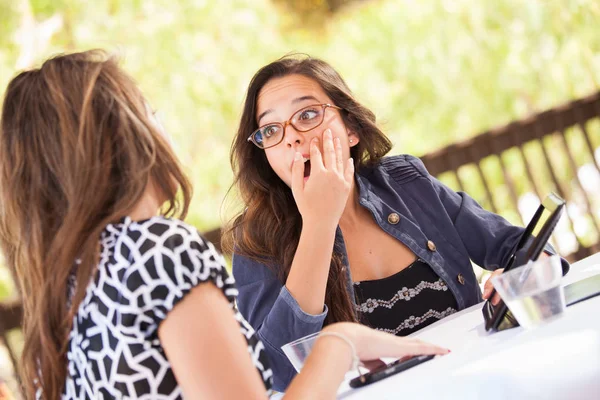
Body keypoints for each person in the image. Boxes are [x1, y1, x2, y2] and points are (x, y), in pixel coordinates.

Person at [0, 50, 449, 400]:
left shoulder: (64, 287)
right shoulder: (158, 253)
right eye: (148, 110)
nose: (161, 124)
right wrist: (340, 341)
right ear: (122, 139)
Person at [224, 55, 568, 391]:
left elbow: (521, 247)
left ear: (352, 129)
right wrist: (319, 223)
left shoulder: (406, 182)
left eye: (308, 114)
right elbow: (279, 375)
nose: (292, 137)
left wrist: (522, 274)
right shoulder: (256, 242)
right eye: (270, 129)